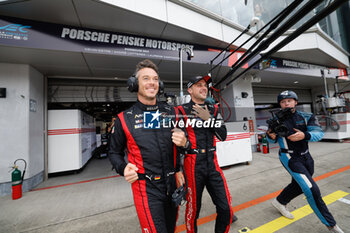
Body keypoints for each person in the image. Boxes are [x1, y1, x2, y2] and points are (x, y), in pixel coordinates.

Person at [108, 59, 187, 233]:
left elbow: (177, 145)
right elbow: (113, 152)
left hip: (172, 185)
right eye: (146, 78)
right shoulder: (124, 118)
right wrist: (123, 168)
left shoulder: (170, 112)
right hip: (146, 189)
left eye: (155, 78)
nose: (152, 82)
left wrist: (184, 144)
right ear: (135, 84)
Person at [267, 90, 344, 233]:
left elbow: (318, 133)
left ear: (296, 102)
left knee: (298, 184)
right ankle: (331, 225)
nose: (286, 104)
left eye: (289, 100)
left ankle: (279, 202)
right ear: (280, 104)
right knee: (312, 189)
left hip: (306, 157)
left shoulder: (306, 116)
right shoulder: (276, 119)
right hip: (289, 157)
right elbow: (270, 138)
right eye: (283, 102)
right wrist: (270, 135)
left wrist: (305, 135)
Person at [176, 76, 235, 233]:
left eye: (205, 85)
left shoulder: (214, 109)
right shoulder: (180, 111)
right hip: (192, 164)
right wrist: (176, 170)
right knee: (193, 209)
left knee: (226, 209)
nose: (204, 88)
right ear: (190, 90)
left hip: (213, 162)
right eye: (199, 85)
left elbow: (223, 135)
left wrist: (208, 119)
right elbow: (174, 144)